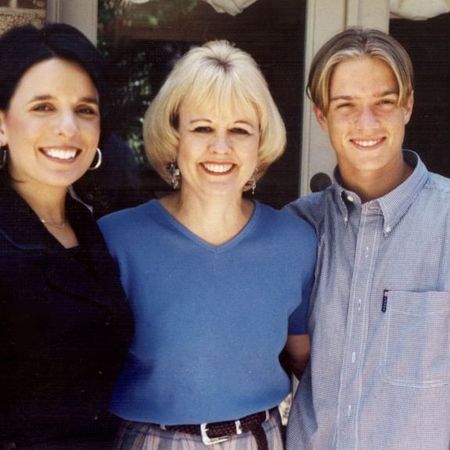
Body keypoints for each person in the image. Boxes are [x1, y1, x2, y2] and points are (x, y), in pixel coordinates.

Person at [98, 40, 316, 450]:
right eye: (202, 128)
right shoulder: (117, 240)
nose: (221, 147)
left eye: (239, 130)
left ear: (260, 144)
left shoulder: (296, 242)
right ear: (174, 136)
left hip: (259, 439)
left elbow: (305, 362)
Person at [285, 28, 450, 450]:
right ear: (321, 115)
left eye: (384, 102)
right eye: (346, 106)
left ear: (408, 105)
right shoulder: (295, 229)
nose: (367, 123)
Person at [0, 24, 133, 449]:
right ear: (1, 124)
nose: (68, 128)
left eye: (85, 109)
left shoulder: (92, 229)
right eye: (43, 107)